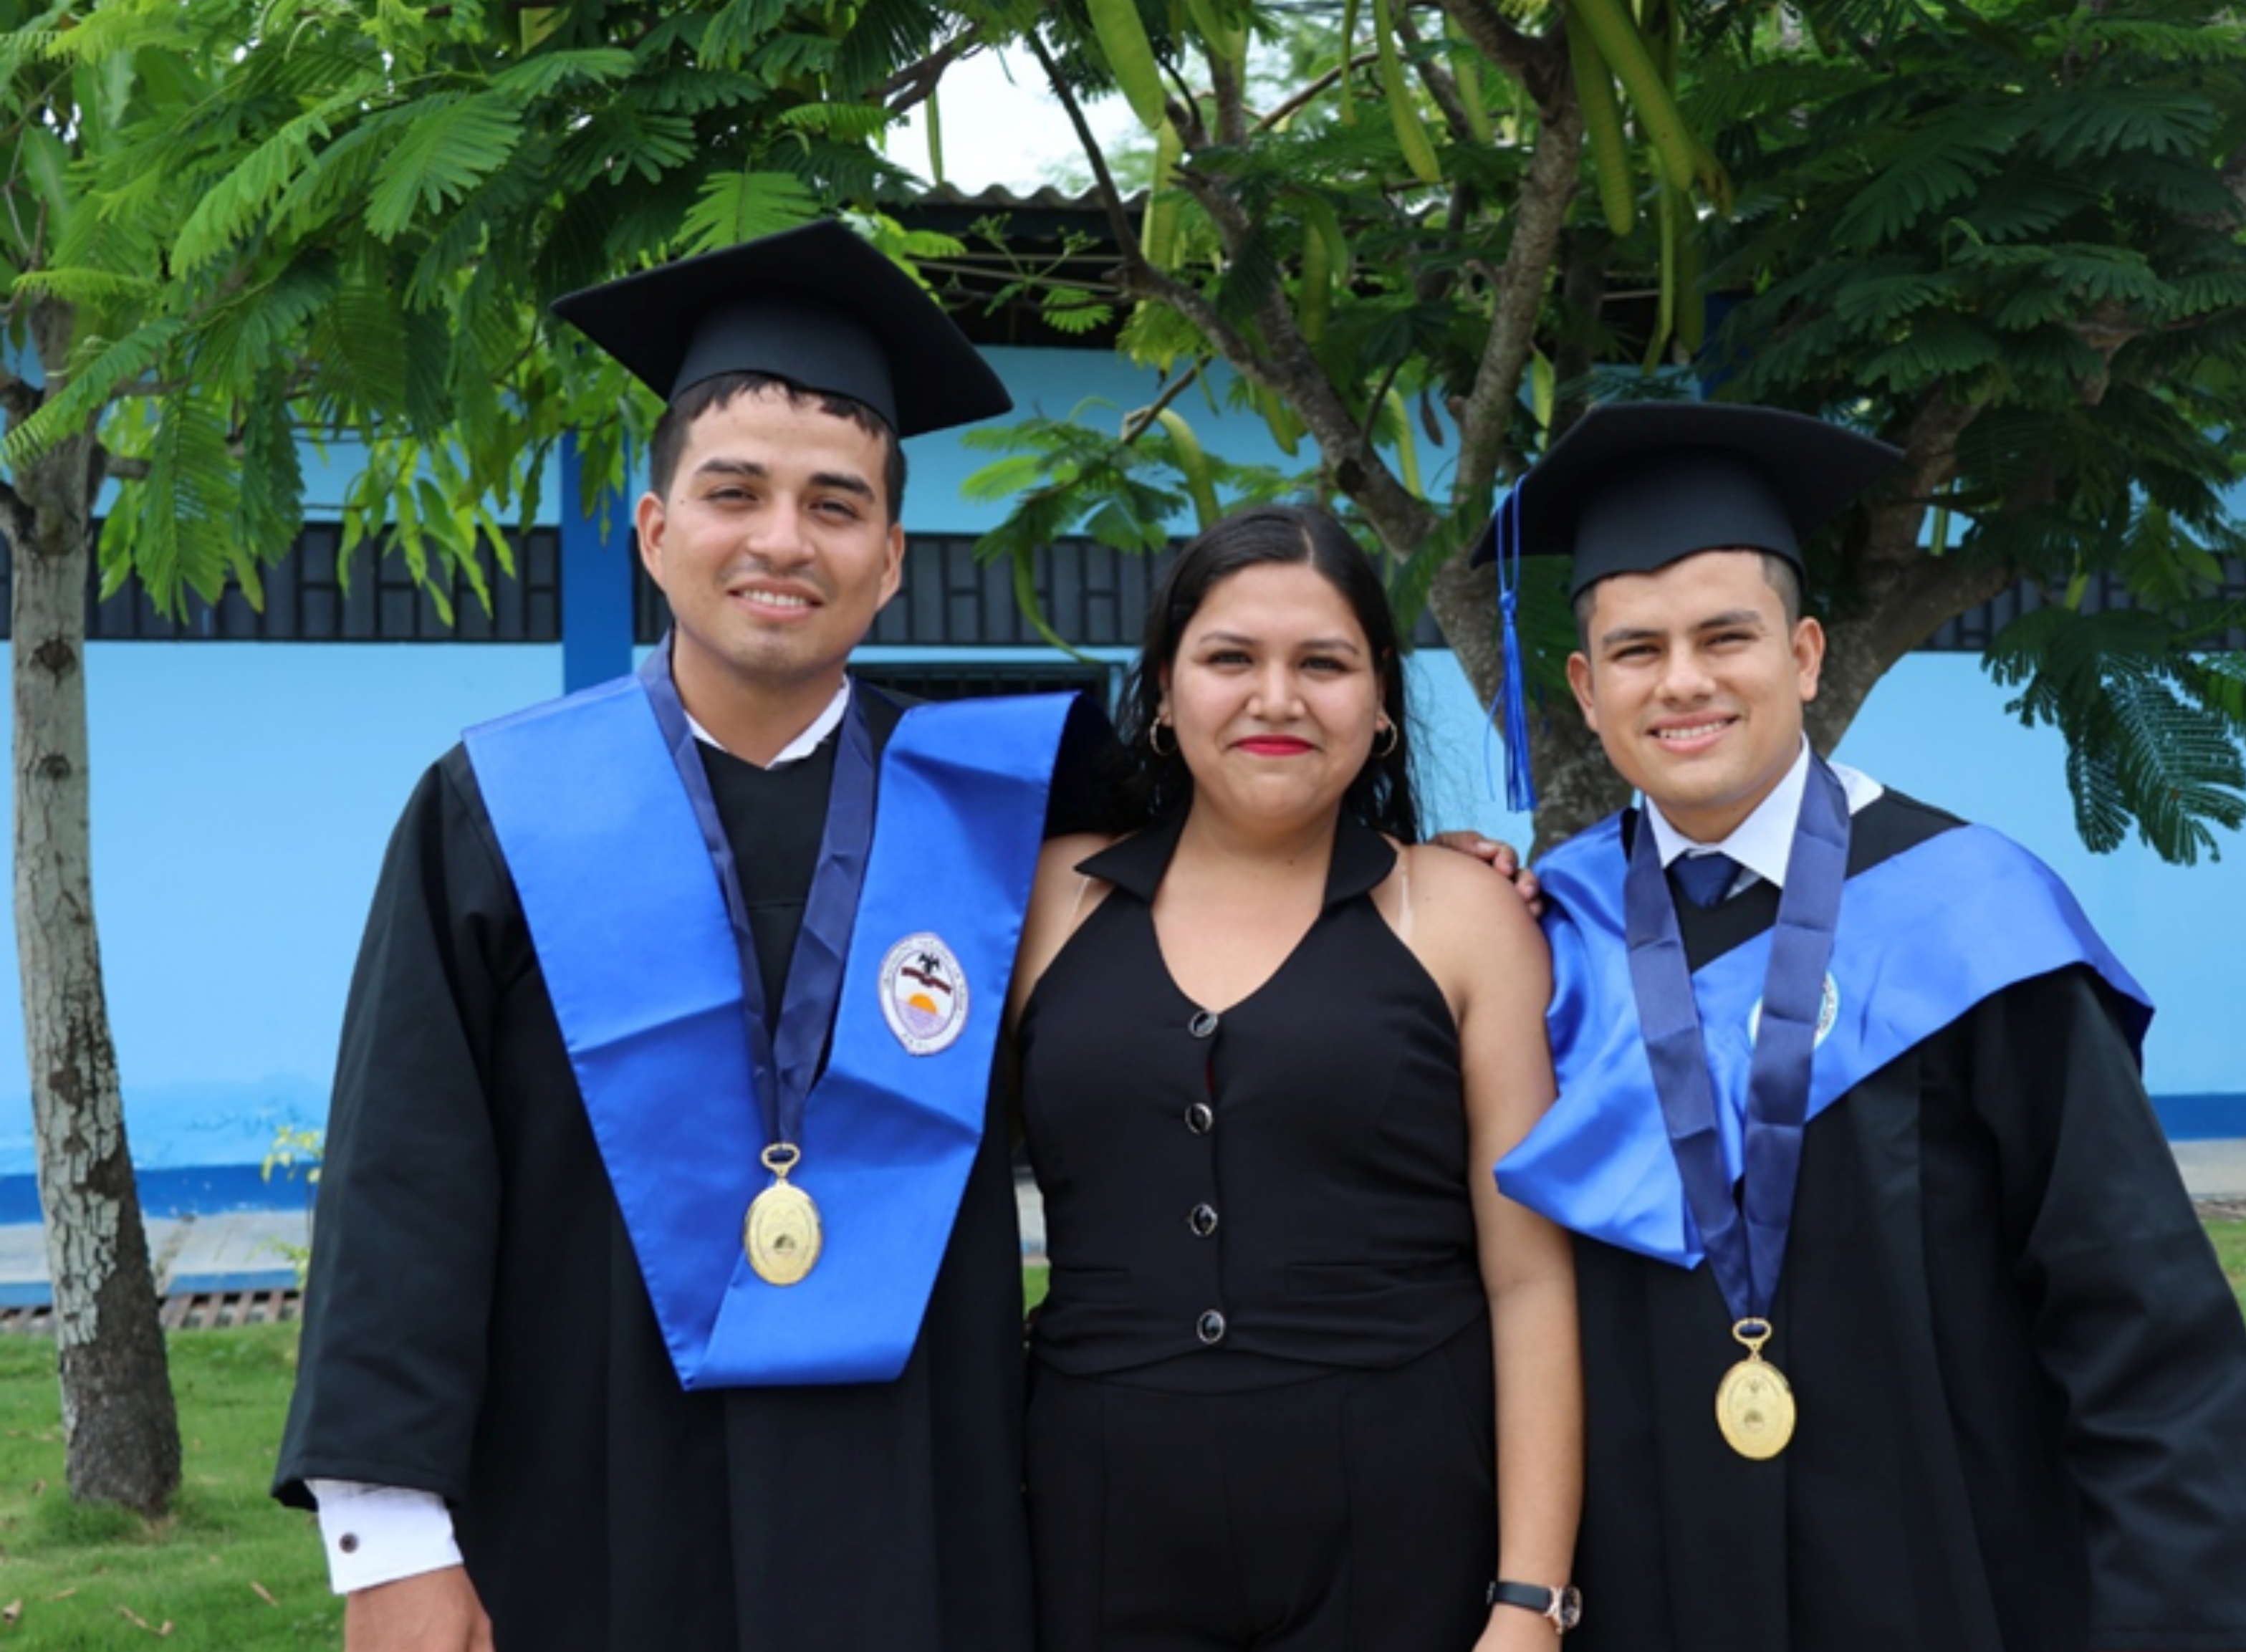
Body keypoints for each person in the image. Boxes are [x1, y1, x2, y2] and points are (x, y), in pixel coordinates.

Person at [274, 220, 1097, 1652]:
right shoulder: (503, 807)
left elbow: (1247, 883)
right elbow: (405, 1180)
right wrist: (391, 1541)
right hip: (587, 1493)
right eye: (735, 493)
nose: (784, 540)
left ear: (892, 559)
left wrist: (1432, 874)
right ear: (656, 532)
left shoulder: (995, 810)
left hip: (918, 1496)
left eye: (836, 506)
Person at [1467, 402, 2246, 1652]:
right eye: (1636, 649)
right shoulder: (1547, 934)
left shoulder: (1974, 918)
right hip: (1643, 1587)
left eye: (1725, 636)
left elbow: (2134, 1316)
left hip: (1942, 1573)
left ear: (1804, 655)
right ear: (1585, 689)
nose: (1682, 680)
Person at [1004, 505, 1583, 1652]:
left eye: (1323, 663)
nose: (1277, 698)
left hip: (1406, 1519)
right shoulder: (1043, 900)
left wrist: (1531, 1599)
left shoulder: (1458, 913)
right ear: (1164, 692)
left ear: (1379, 707)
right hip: (1098, 1519)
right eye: (1230, 659)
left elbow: (1529, 1281)